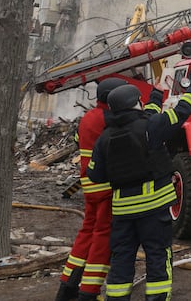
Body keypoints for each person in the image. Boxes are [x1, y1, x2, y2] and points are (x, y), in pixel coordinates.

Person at [87, 76, 191, 300]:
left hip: (122, 214)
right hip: (154, 211)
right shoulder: (151, 127)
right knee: (158, 257)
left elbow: (95, 175)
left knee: (122, 260)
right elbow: (181, 112)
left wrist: (157, 94)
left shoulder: (104, 138)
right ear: (135, 103)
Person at [55, 78, 126, 301]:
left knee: (87, 231)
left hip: (89, 185)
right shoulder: (111, 120)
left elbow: (79, 140)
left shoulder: (88, 117)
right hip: (106, 187)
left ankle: (68, 284)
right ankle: (89, 291)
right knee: (103, 236)